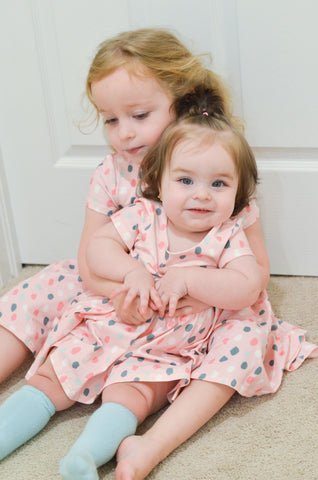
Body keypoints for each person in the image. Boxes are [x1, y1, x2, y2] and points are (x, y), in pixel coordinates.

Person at [0, 28, 267, 474]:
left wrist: (191, 294)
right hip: (118, 288)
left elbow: (256, 274)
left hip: (201, 303)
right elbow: (91, 259)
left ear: (180, 103)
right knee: (44, 286)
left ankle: (150, 446)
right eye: (110, 120)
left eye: (139, 115)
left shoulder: (221, 170)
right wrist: (127, 287)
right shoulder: (112, 174)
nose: (124, 134)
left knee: (249, 333)